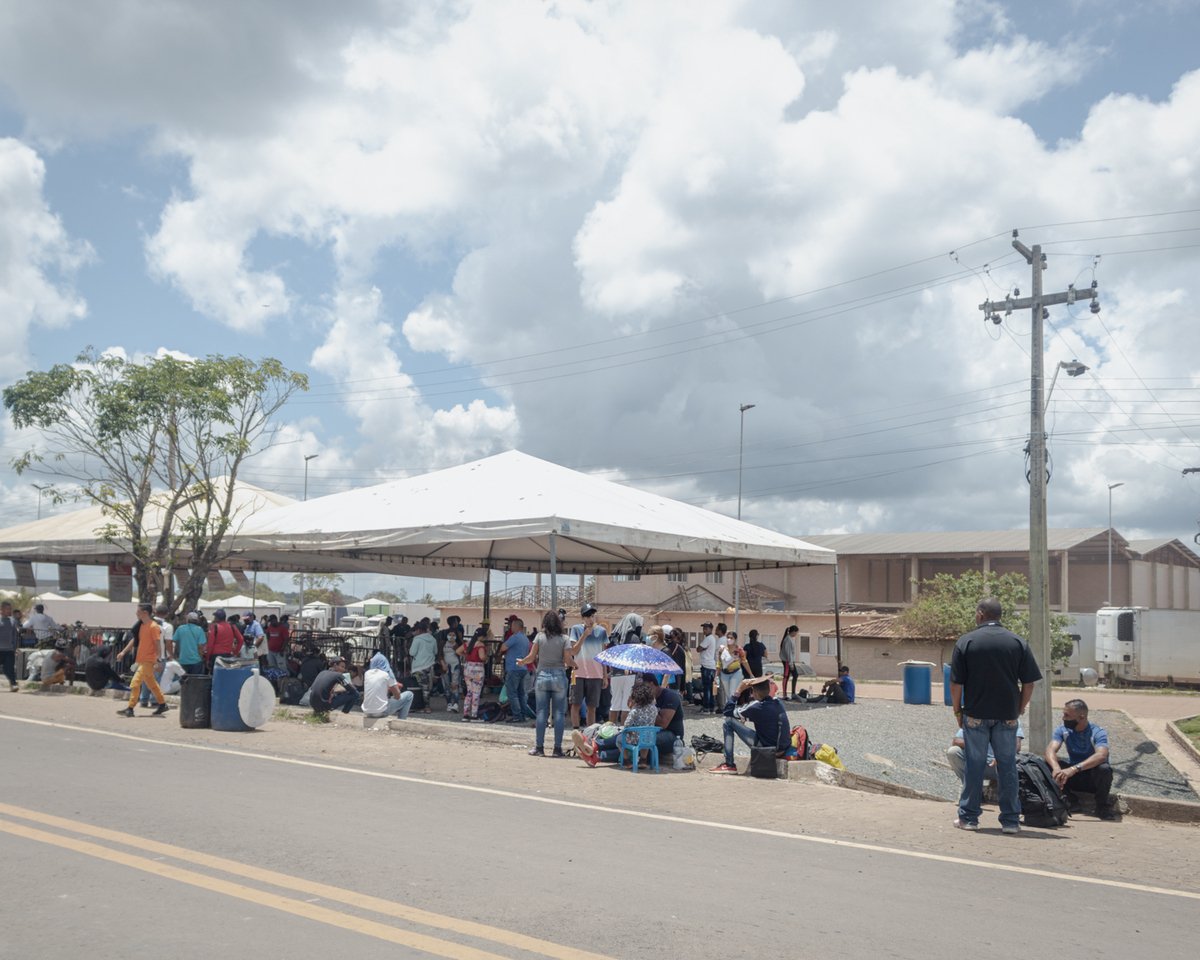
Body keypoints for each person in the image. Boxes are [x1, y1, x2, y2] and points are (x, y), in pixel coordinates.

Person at [950, 597, 1042, 834]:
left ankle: (969, 818)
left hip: (976, 715)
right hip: (1007, 716)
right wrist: (1019, 708)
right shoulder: (1017, 642)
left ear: (981, 614)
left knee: (974, 766)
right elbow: (1029, 682)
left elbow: (956, 683)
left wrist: (957, 711)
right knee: (1008, 767)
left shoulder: (966, 641)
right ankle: (1010, 821)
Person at [1046, 699, 1117, 820]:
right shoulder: (1063, 730)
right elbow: (1050, 751)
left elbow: (1101, 755)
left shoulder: (1097, 732)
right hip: (1074, 778)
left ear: (1081, 717)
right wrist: (1056, 768)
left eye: (1067, 715)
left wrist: (1074, 768)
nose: (1063, 718)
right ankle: (1071, 800)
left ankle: (1102, 806)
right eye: (1064, 714)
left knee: (1104, 769)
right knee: (1045, 764)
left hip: (1092, 779)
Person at [519, 609, 574, 757]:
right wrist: (575, 665)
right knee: (559, 714)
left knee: (541, 712)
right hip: (559, 677)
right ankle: (557, 749)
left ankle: (539, 747)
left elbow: (531, 657)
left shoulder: (539, 637)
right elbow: (568, 660)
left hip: (542, 676)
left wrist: (522, 661)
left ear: (544, 623)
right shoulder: (564, 639)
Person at [711, 674, 792, 773]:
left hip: (768, 749)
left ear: (755, 693)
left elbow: (727, 712)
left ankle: (729, 764)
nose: (751, 695)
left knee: (728, 722)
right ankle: (729, 764)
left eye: (752, 692)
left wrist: (738, 691)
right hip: (783, 748)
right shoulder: (778, 702)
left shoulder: (756, 707)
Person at [575, 680, 659, 767]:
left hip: (634, 739)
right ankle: (643, 761)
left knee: (619, 738)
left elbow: (627, 724)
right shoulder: (654, 709)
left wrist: (630, 708)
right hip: (650, 739)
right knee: (639, 739)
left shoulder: (635, 710)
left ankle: (626, 761)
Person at [116, 604, 169, 717]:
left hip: (149, 660)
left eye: (138, 611)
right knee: (152, 684)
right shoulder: (142, 626)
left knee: (135, 683)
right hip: (141, 660)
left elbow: (157, 644)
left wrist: (158, 660)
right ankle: (162, 704)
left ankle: (130, 708)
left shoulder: (153, 626)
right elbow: (135, 641)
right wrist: (123, 652)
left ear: (145, 613)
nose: (136, 613)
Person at [569, 603, 608, 729]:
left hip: (595, 674)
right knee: (575, 704)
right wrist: (584, 635)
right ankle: (575, 731)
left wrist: (605, 675)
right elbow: (573, 651)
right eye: (587, 616)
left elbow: (603, 655)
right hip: (578, 673)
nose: (590, 619)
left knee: (592, 707)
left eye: (592, 616)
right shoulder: (575, 629)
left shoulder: (601, 631)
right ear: (582, 617)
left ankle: (590, 734)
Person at [948, 722, 1024, 785]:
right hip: (977, 764)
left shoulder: (1011, 718)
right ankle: (973, 790)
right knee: (953, 752)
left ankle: (1006, 794)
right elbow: (956, 741)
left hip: (1000, 766)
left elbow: (1017, 746)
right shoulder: (974, 717)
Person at [500, 617, 533, 723]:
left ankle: (517, 715)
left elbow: (503, 648)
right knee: (521, 693)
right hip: (523, 668)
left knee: (512, 693)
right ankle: (523, 715)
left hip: (513, 668)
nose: (510, 627)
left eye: (512, 625)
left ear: (516, 626)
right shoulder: (525, 639)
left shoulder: (515, 637)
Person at [362, 653, 413, 720]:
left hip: (366, 711)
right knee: (409, 695)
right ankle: (401, 720)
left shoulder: (367, 674)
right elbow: (398, 696)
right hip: (381, 712)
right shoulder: (386, 674)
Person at [457, 627, 489, 721]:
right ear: (482, 636)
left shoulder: (468, 643)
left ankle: (465, 714)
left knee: (469, 692)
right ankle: (474, 715)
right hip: (478, 669)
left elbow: (458, 651)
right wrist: (486, 658)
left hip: (467, 668)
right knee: (476, 693)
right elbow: (482, 657)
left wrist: (465, 656)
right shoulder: (480, 645)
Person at [408, 620, 437, 714]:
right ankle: (427, 706)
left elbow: (412, 652)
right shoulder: (433, 639)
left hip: (418, 667)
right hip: (430, 666)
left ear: (419, 630)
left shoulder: (417, 639)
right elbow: (435, 652)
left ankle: (424, 706)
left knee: (419, 688)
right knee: (427, 687)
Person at [437, 616, 463, 712]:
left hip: (455, 664)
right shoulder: (443, 638)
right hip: (445, 665)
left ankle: (455, 704)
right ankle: (448, 703)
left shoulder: (458, 635)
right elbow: (439, 654)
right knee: (447, 686)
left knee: (454, 684)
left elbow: (460, 651)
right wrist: (442, 663)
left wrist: (455, 645)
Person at [717, 628, 744, 709]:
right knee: (727, 693)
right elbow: (719, 662)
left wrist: (750, 673)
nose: (729, 639)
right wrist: (716, 674)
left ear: (735, 639)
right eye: (728, 637)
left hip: (736, 673)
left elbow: (744, 661)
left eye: (731, 638)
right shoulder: (722, 649)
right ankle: (730, 708)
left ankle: (731, 709)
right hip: (724, 673)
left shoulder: (739, 649)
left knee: (732, 691)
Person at [174, 612, 207, 676]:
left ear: (187, 619)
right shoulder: (199, 630)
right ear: (197, 620)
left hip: (183, 660)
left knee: (183, 682)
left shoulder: (180, 628)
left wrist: (175, 656)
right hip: (196, 661)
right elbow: (200, 646)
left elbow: (174, 642)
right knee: (195, 681)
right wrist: (201, 658)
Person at [695, 621, 717, 713]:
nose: (704, 630)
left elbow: (698, 649)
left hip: (707, 666)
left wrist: (702, 648)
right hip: (711, 665)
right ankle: (711, 707)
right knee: (710, 688)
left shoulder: (708, 638)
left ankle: (706, 708)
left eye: (706, 628)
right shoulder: (712, 638)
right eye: (704, 628)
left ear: (711, 629)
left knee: (707, 688)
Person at [0, 601, 20, 691]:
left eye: (10, 609)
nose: (9, 611)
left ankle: (13, 684)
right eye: (7, 609)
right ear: (2, 610)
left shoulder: (13, 621)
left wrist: (15, 648)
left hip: (9, 650)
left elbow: (14, 635)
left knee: (10, 668)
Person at [779, 625, 800, 700]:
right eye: (796, 632)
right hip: (787, 661)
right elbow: (788, 653)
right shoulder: (788, 639)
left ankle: (793, 693)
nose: (796, 634)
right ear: (793, 632)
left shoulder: (790, 638)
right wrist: (791, 663)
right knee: (786, 677)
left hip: (790, 661)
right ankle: (785, 694)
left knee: (795, 675)